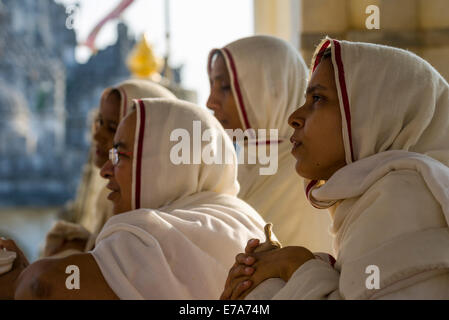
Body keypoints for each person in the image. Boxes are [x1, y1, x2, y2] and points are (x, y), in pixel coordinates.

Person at [221, 38, 449, 300]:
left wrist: (293, 265)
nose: (294, 117)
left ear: (370, 115)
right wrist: (283, 266)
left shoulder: (404, 193)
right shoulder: (378, 195)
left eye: (317, 98)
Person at [0, 98, 267, 299]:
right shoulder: (239, 215)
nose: (105, 170)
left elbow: (42, 285)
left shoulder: (156, 233)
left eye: (120, 155)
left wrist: (18, 277)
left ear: (166, 165)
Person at [207, 35, 333, 252]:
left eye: (226, 87)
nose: (211, 102)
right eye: (212, 86)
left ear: (269, 91)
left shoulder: (309, 176)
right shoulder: (233, 169)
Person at [42, 79, 176, 258]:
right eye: (99, 122)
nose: (97, 135)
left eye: (113, 127)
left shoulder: (154, 222)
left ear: (149, 141)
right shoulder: (108, 197)